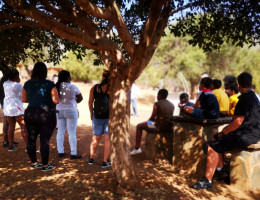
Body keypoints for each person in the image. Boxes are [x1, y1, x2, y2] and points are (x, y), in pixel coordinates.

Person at [192, 72, 260, 190]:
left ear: (238, 85)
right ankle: (220, 170)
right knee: (218, 138)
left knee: (212, 146)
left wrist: (224, 132)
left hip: (246, 135)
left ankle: (207, 180)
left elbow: (237, 122)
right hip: (253, 133)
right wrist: (224, 132)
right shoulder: (253, 97)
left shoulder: (244, 99)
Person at [22, 62, 59, 171]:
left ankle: (34, 163)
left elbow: (23, 99)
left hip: (30, 113)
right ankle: (45, 165)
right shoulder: (50, 84)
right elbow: (56, 100)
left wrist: (34, 100)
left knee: (31, 139)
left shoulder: (27, 83)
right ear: (45, 72)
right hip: (46, 114)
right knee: (44, 140)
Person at [130, 89, 175, 155]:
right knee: (145, 124)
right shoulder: (172, 104)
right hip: (168, 126)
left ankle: (137, 148)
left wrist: (146, 122)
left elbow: (152, 118)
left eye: (157, 95)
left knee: (139, 126)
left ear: (159, 95)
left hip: (157, 126)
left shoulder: (157, 104)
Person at [55, 70, 83, 159]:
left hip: (59, 111)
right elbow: (80, 98)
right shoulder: (73, 87)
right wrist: (73, 103)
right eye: (69, 76)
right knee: (72, 133)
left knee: (60, 132)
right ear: (67, 78)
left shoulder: (56, 87)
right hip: (71, 111)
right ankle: (73, 153)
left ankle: (60, 152)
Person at [88, 70, 111, 168]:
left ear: (102, 77)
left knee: (95, 138)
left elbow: (90, 102)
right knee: (107, 139)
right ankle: (105, 161)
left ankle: (91, 158)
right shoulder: (112, 89)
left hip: (97, 116)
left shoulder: (94, 88)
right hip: (108, 116)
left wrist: (91, 113)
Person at [3, 69, 27, 151]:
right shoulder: (18, 85)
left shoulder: (5, 84)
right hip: (16, 107)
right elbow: (23, 95)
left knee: (11, 126)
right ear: (17, 76)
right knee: (23, 126)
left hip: (7, 107)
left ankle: (11, 146)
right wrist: (18, 81)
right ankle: (28, 146)